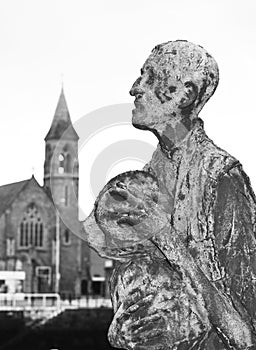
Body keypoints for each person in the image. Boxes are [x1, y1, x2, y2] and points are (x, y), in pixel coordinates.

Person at [83, 40, 256, 349]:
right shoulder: (146, 178)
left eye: (149, 77)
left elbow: (245, 335)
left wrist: (164, 236)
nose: (135, 88)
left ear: (185, 93)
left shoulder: (222, 176)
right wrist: (124, 329)